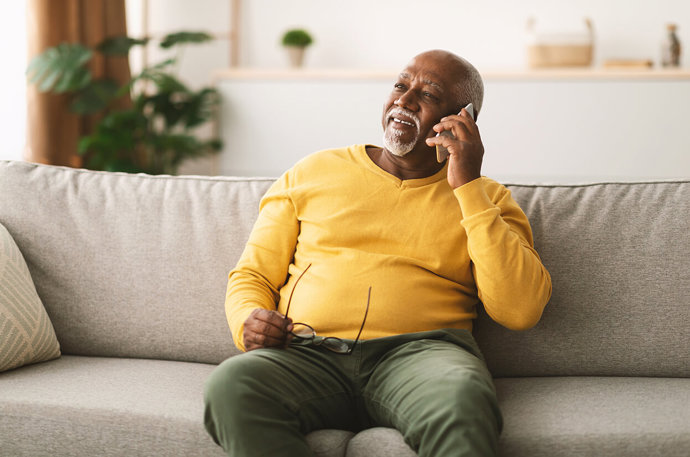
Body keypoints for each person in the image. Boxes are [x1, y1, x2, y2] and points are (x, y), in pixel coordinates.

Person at [204, 49, 552, 457]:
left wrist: (467, 187)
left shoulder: (487, 198)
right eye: (401, 85)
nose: (404, 100)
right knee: (232, 385)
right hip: (307, 353)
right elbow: (253, 275)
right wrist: (247, 319)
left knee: (463, 400)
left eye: (428, 94)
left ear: (463, 119)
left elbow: (520, 309)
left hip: (421, 359)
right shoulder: (312, 172)